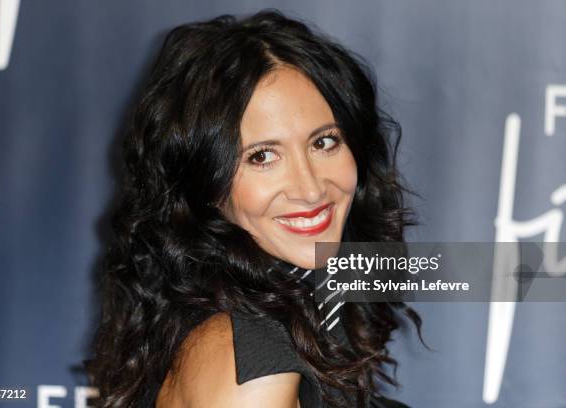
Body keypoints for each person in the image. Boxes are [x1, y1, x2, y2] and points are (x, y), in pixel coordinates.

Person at [86, 9, 424, 408]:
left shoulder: (284, 308)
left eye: (324, 143)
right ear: (207, 184)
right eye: (262, 156)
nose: (310, 188)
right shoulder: (252, 365)